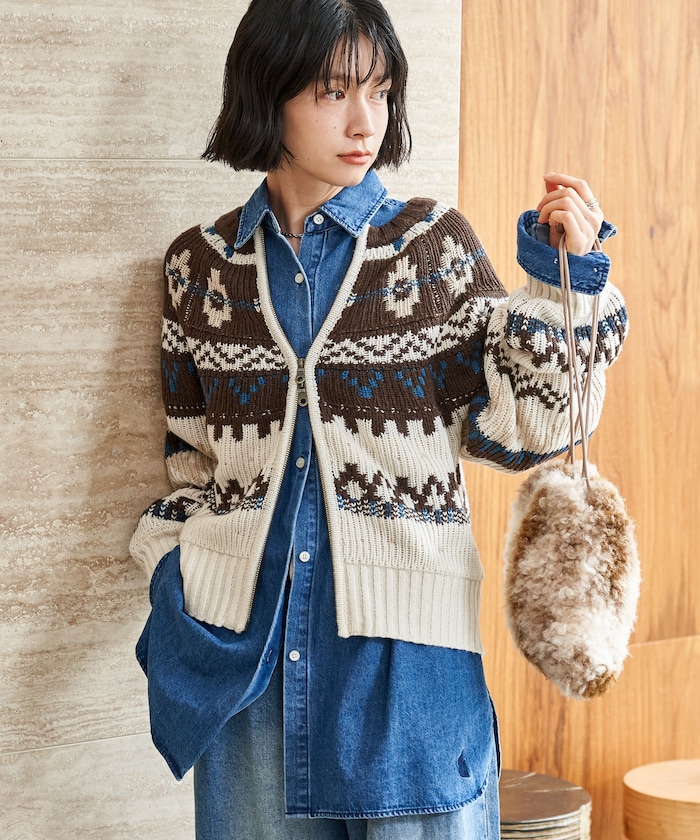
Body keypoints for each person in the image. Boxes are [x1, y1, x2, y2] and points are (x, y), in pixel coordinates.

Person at [130, 1, 627, 837]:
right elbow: (193, 461)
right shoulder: (200, 268)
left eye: (382, 91)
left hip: (408, 673)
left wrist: (561, 286)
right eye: (333, 92)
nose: (366, 121)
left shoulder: (428, 248)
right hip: (244, 671)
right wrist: (175, 574)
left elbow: (519, 431)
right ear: (268, 92)